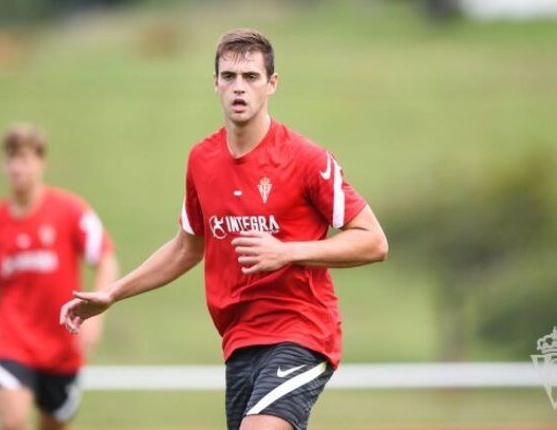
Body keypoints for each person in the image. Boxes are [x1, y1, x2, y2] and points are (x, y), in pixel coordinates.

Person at [60, 29, 388, 430]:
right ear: (214, 83)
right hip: (239, 340)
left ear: (272, 84)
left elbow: (373, 241)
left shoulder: (306, 159)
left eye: (251, 77)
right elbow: (186, 248)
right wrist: (112, 293)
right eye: (229, 76)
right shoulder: (202, 160)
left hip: (302, 332)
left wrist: (286, 251)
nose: (239, 87)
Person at [0, 123, 118, 430]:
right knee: (13, 423)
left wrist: (96, 317)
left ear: (41, 162)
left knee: (51, 424)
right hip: (12, 342)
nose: (17, 167)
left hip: (62, 347)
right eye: (11, 159)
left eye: (24, 158)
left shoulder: (71, 211)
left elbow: (106, 259)